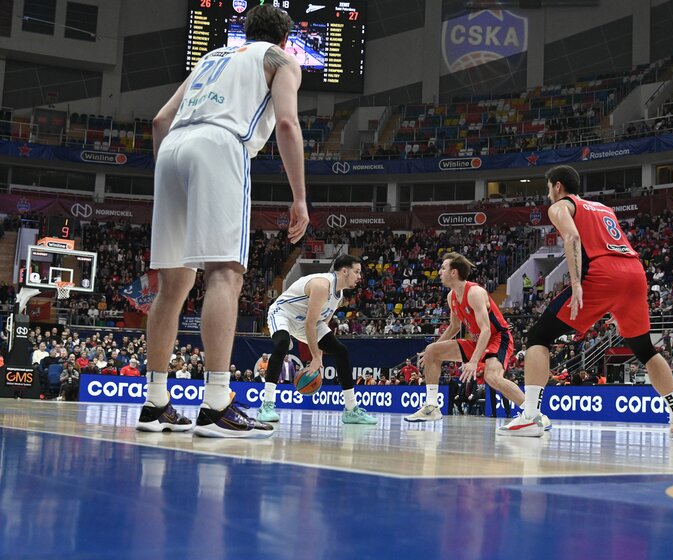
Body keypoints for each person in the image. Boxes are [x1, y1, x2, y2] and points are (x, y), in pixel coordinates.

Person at [135, 5, 309, 437]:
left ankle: (155, 402)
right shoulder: (280, 60)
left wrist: (171, 178)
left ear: (244, 32)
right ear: (285, 41)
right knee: (225, 274)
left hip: (173, 148)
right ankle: (215, 404)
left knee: (172, 285)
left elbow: (159, 120)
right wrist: (300, 198)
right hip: (219, 144)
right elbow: (287, 123)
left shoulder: (211, 56)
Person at [498, 165, 673, 438]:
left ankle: (531, 415)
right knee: (645, 349)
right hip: (634, 272)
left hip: (602, 274)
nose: (548, 194)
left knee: (538, 336)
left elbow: (573, 236)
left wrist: (576, 282)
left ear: (557, 186)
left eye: (548, 188)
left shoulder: (560, 206)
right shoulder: (603, 208)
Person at [403, 253, 550, 430]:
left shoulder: (475, 293)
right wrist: (432, 349)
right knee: (432, 350)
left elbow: (487, 330)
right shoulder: (451, 297)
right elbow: (454, 327)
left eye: (443, 267)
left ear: (453, 272)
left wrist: (473, 362)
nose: (439, 271)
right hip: (478, 340)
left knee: (492, 377)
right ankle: (432, 407)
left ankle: (534, 415)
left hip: (498, 338)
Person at [257, 255, 376, 425]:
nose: (359, 277)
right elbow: (310, 323)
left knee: (341, 351)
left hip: (307, 322)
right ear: (344, 271)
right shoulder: (322, 285)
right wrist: (316, 357)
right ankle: (266, 405)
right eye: (356, 272)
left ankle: (351, 410)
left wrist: (318, 363)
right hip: (284, 315)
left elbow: (322, 326)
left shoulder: (338, 295)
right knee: (283, 344)